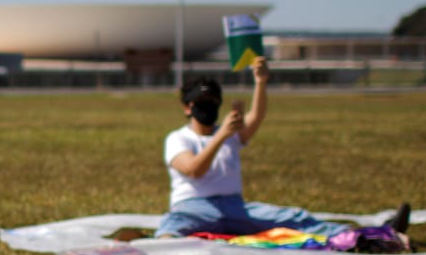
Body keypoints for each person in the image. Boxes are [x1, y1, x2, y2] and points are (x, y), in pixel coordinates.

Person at [158, 57, 408, 240]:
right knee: (169, 234)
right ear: (187, 107)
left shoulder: (230, 134)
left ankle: (374, 236)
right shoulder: (179, 138)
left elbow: (257, 115)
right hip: (193, 206)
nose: (208, 107)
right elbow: (193, 170)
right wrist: (222, 134)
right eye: (201, 103)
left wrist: (261, 83)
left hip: (234, 206)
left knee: (295, 219)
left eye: (212, 102)